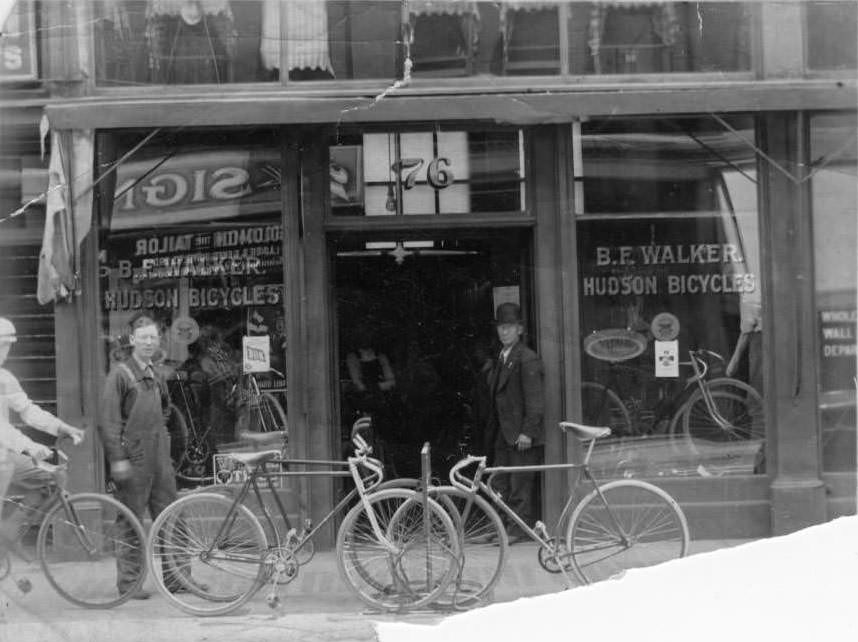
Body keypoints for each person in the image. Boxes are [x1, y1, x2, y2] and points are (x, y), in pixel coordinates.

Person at [99, 312, 201, 599]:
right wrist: (118, 458)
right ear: (132, 340)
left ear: (159, 341)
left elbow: (166, 408)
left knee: (173, 517)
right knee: (131, 521)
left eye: (153, 338)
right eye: (143, 337)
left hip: (159, 458)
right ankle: (130, 585)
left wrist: (162, 438)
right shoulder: (120, 374)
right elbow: (108, 422)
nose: (148, 342)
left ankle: (178, 579)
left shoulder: (156, 372)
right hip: (133, 459)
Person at [0, 317, 85, 553]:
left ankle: (9, 532)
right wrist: (29, 446)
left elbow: (28, 410)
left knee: (51, 478)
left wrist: (61, 427)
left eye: (7, 346)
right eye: (3, 345)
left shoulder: (5, 378)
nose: (6, 351)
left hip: (5, 456)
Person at [487, 302, 544, 544]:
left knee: (519, 484)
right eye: (501, 327)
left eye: (509, 327)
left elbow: (535, 400)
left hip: (520, 434)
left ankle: (517, 529)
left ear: (519, 329)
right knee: (499, 480)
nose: (504, 332)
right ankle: (501, 526)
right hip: (505, 431)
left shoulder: (527, 358)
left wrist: (528, 433)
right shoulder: (503, 356)